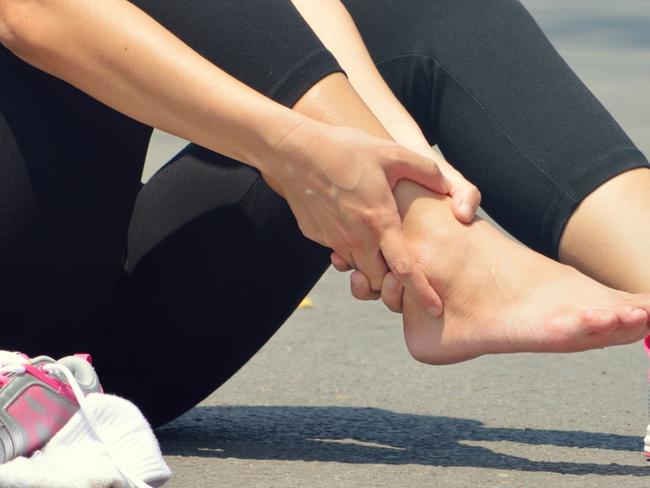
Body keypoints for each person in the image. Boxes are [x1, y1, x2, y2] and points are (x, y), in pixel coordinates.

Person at [0, 0, 648, 447]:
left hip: (75, 342)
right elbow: (31, 14)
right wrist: (289, 149)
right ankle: (449, 255)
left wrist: (401, 164)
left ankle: (447, 248)